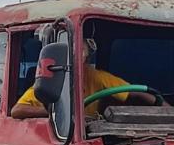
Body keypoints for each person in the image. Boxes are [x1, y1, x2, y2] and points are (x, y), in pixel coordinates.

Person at [12, 38, 164, 119]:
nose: (79, 60)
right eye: (73, 55)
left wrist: (167, 112)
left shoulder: (95, 76)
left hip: (90, 136)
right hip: (63, 137)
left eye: (82, 54)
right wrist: (54, 115)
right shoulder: (54, 78)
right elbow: (17, 111)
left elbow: (134, 91)